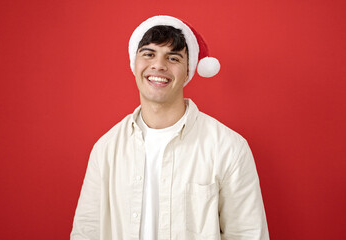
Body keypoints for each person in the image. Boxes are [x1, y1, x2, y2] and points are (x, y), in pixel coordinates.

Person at [71, 15, 269, 240]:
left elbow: (248, 234)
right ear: (134, 64)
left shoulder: (230, 148)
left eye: (173, 58)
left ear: (188, 71)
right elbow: (86, 232)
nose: (158, 65)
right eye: (148, 54)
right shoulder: (106, 149)